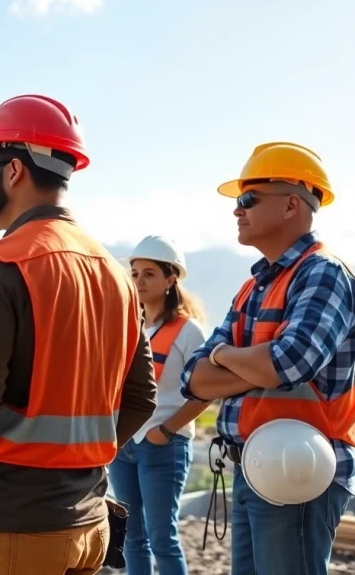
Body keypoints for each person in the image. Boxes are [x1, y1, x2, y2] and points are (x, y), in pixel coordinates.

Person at [0, 94, 158, 575]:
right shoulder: (116, 274)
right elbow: (141, 399)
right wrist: (75, 458)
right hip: (89, 523)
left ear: (13, 171)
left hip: (13, 533)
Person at [179, 142, 355, 575]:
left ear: (291, 205)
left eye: (248, 199)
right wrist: (250, 364)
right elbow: (194, 378)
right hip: (254, 465)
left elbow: (288, 365)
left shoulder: (323, 273)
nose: (236, 211)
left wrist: (224, 355)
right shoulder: (254, 286)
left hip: (299, 467)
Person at [108, 235, 210, 575]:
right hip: (123, 447)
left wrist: (165, 431)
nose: (138, 280)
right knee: (132, 538)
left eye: (149, 273)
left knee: (162, 538)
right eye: (135, 273)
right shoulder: (127, 325)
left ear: (171, 279)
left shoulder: (189, 331)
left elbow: (207, 391)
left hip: (163, 447)